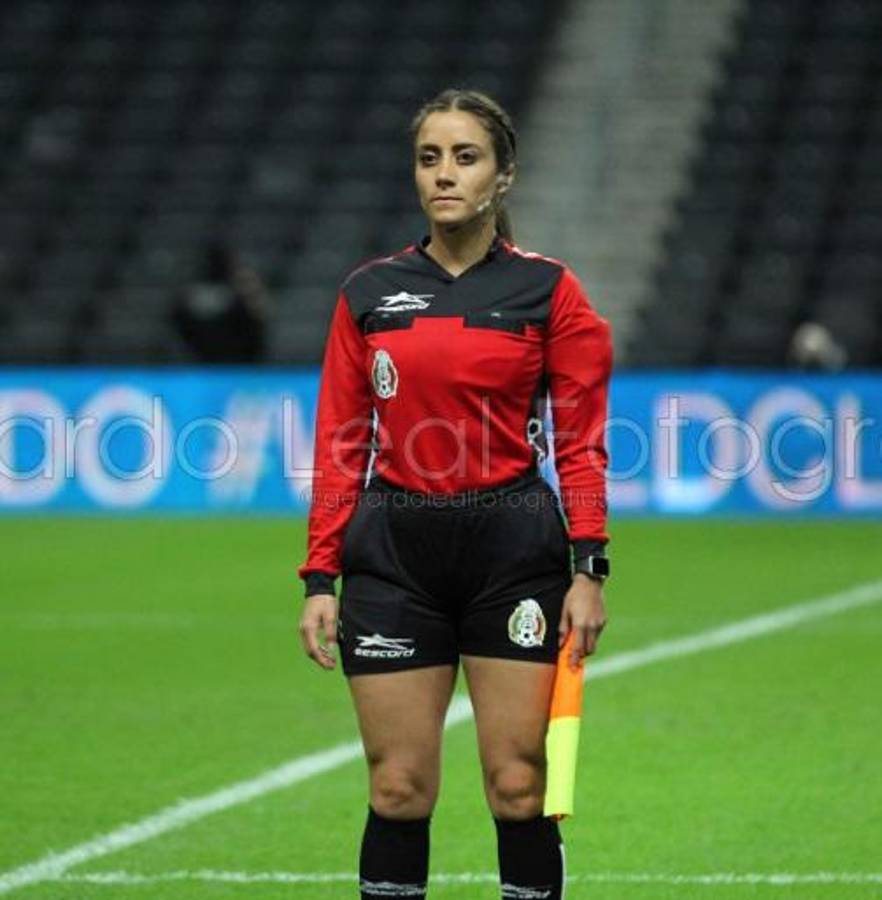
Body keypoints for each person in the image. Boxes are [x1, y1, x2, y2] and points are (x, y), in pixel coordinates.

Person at [297, 88, 612, 900]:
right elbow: (341, 442)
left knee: (519, 784)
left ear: (503, 176)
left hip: (513, 553)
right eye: (429, 157)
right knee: (398, 787)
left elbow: (581, 441)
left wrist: (589, 568)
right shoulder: (369, 293)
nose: (444, 174)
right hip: (394, 559)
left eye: (465, 157)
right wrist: (320, 577)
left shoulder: (548, 291)